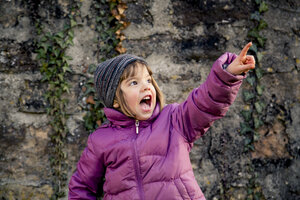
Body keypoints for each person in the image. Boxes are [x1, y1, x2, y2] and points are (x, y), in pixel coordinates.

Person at [69, 42, 255, 199]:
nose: (145, 87)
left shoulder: (174, 120)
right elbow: (82, 187)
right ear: (115, 100)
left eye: (148, 80)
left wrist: (227, 74)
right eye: (134, 83)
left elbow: (206, 103)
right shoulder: (100, 140)